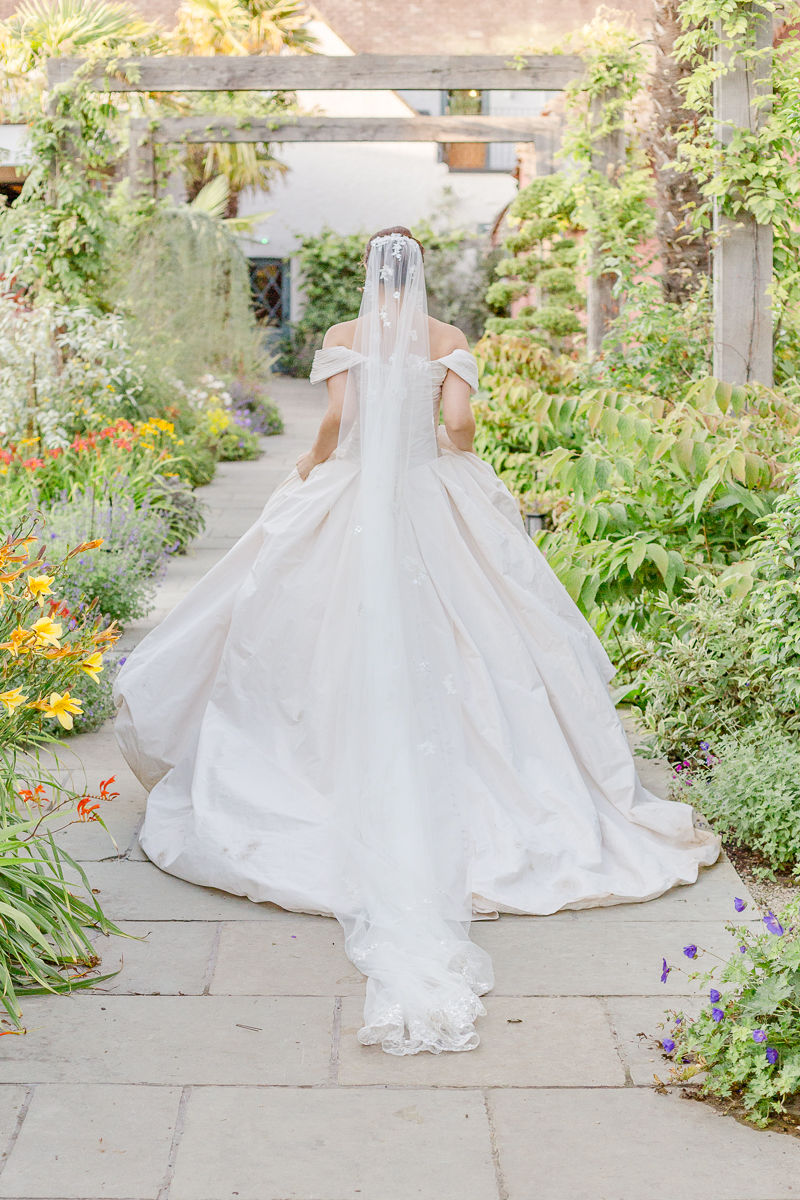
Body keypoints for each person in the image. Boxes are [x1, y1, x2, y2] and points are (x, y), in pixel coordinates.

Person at [115, 226, 719, 1057]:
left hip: (354, 496)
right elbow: (462, 429)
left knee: (302, 639)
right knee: (484, 640)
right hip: (430, 493)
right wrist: (444, 447)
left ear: (369, 275)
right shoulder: (449, 342)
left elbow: (336, 425)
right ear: (422, 274)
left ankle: (315, 774)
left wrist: (308, 468)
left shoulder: (340, 339)